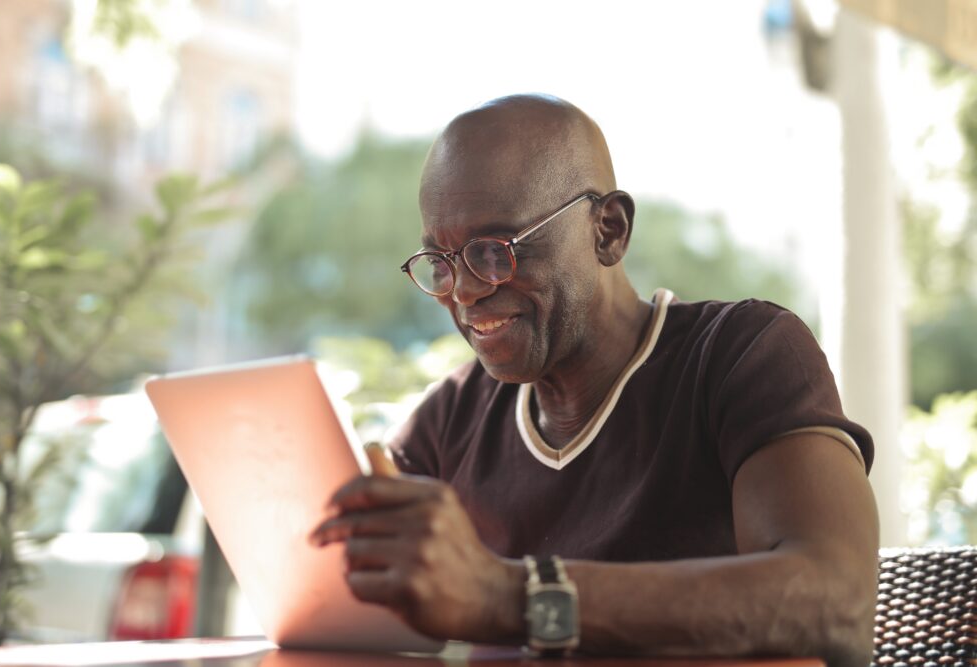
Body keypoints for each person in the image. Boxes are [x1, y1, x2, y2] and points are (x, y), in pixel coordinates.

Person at [310, 94, 879, 667]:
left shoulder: (741, 354)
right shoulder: (454, 416)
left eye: (494, 250)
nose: (463, 291)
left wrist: (510, 596)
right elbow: (339, 598)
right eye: (441, 261)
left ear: (608, 230)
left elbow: (836, 602)